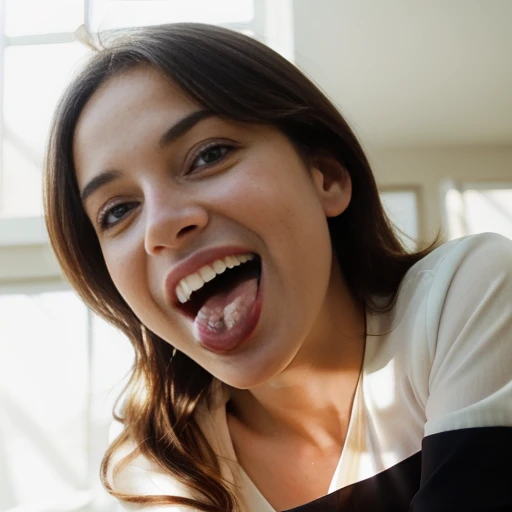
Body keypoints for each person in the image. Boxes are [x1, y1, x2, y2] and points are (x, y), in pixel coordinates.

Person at [43, 23, 512, 512]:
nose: (161, 226)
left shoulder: (464, 296)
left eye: (208, 155)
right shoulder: (157, 480)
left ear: (326, 176)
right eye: (117, 210)